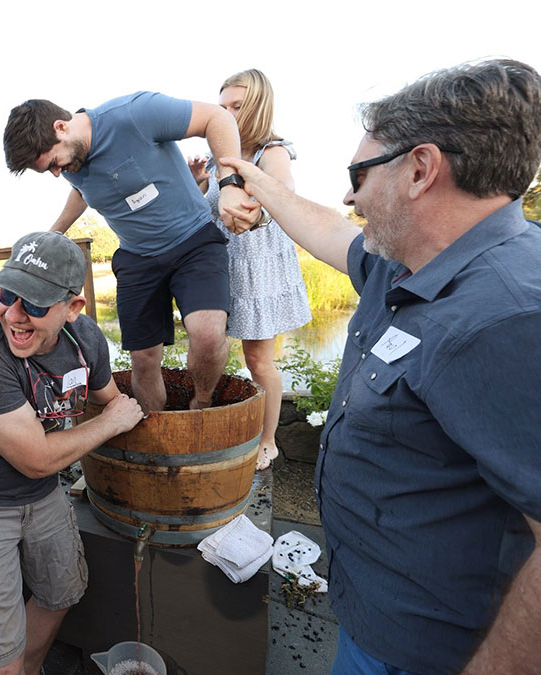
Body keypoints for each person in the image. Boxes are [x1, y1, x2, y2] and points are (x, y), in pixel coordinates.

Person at [219, 59, 541, 674]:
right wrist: (253, 182)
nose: (348, 193)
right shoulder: (408, 262)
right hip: (375, 619)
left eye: (358, 173)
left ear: (420, 170)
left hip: (433, 654)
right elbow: (330, 230)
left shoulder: (508, 316)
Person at [0, 232, 144, 674]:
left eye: (36, 304)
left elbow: (109, 397)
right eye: (7, 294)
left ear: (73, 308)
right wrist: (110, 423)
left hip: (41, 494)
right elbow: (37, 458)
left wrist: (137, 415)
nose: (14, 314)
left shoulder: (85, 341)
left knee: (61, 592)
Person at [3, 92, 253, 413]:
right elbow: (82, 191)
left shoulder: (134, 114)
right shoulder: (70, 159)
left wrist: (230, 183)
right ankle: (154, 437)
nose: (56, 173)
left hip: (193, 242)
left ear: (61, 127)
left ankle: (201, 402)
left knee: (206, 334)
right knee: (143, 357)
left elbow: (217, 118)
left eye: (53, 164)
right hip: (137, 258)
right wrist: (53, 233)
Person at [188, 69, 311, 470]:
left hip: (258, 268)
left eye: (236, 106)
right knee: (213, 349)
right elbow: (203, 212)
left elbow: (283, 191)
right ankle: (216, 422)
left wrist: (256, 204)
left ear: (258, 105)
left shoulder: (271, 151)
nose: (226, 113)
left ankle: (268, 441)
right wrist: (197, 183)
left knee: (258, 360)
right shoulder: (216, 157)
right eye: (221, 106)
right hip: (220, 266)